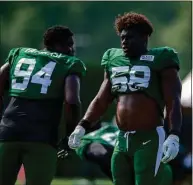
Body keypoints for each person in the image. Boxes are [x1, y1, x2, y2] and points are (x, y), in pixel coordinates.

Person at [68, 12, 182, 185]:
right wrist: (82, 125)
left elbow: (173, 101)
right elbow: (101, 99)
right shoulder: (114, 59)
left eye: (130, 38)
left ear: (144, 37)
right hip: (122, 138)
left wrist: (174, 135)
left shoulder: (161, 59)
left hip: (149, 137)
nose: (124, 42)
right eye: (122, 38)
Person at [0, 25, 86, 185]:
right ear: (53, 44)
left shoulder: (19, 54)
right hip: (41, 137)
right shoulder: (69, 63)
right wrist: (70, 134)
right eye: (68, 44)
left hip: (7, 132)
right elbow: (72, 101)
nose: (71, 49)